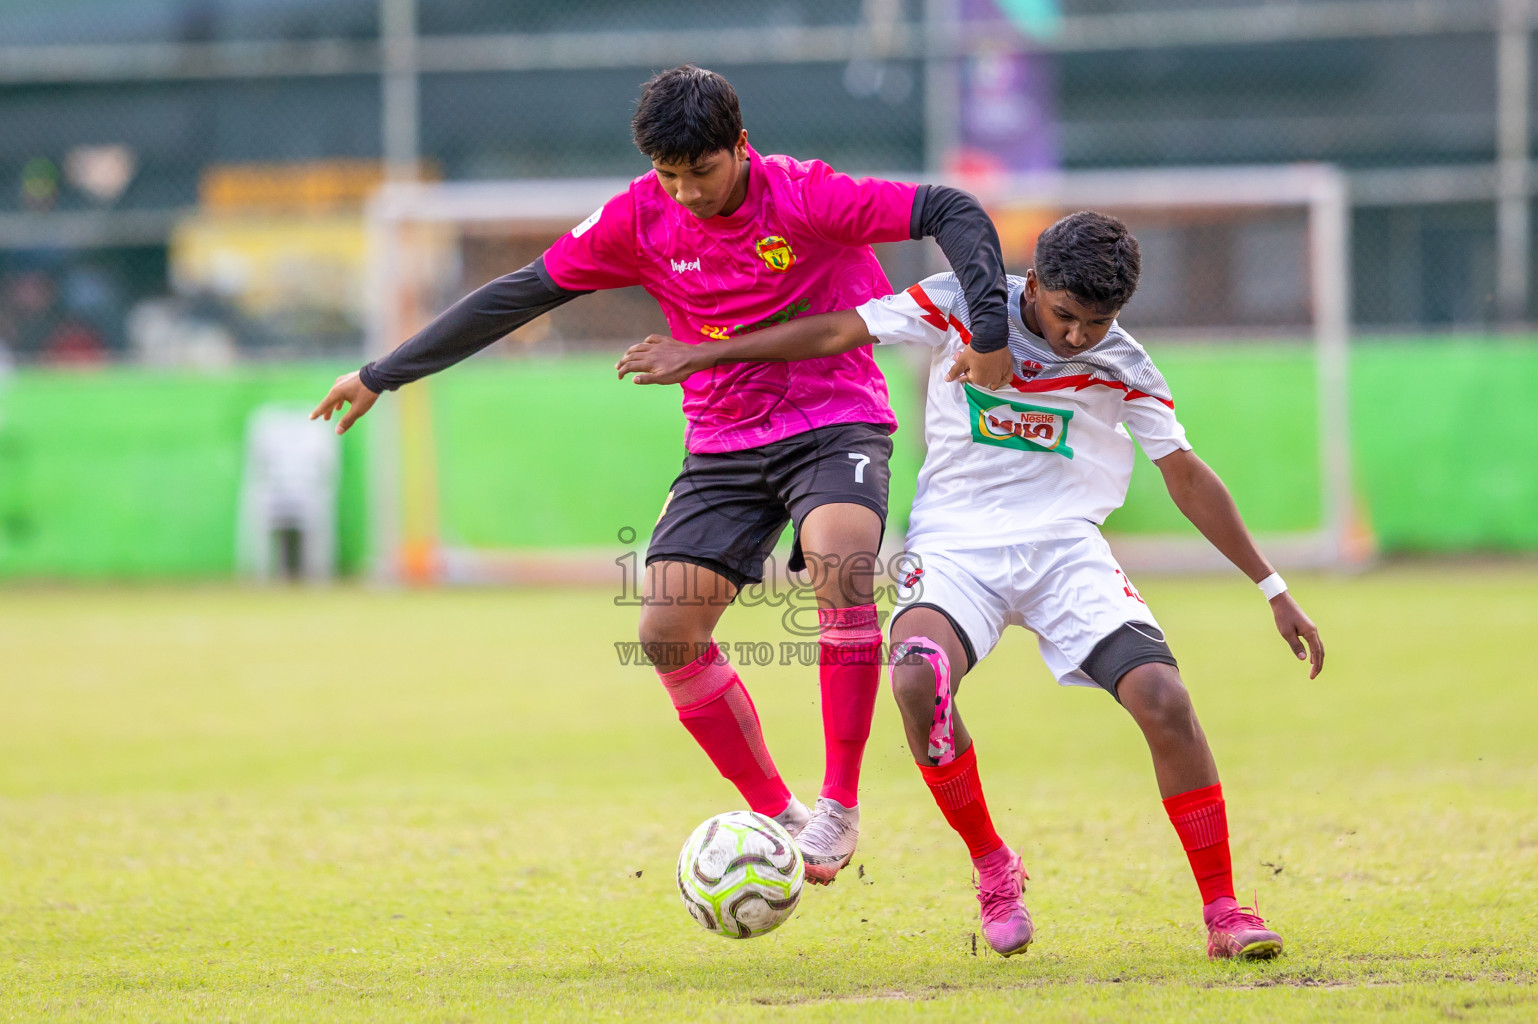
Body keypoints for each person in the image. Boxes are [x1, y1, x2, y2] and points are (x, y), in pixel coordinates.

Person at [311, 65, 1016, 884]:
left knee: (842, 562)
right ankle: (777, 811)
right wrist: (383, 373)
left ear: (740, 148)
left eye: (701, 172)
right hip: (723, 436)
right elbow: (519, 295)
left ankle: (837, 807)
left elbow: (951, 210)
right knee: (664, 632)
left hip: (835, 413)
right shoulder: (637, 219)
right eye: (667, 174)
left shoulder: (808, 197)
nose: (684, 192)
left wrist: (990, 324)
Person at [616, 210, 1324, 959]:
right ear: (1036, 283)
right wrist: (704, 353)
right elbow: (833, 332)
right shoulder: (957, 302)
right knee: (917, 681)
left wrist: (1272, 586)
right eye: (1066, 316)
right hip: (956, 548)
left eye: (1099, 320)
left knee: (1165, 699)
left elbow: (1184, 475)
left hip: (1063, 551)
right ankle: (994, 867)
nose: (1079, 336)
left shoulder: (1123, 362)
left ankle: (1223, 910)